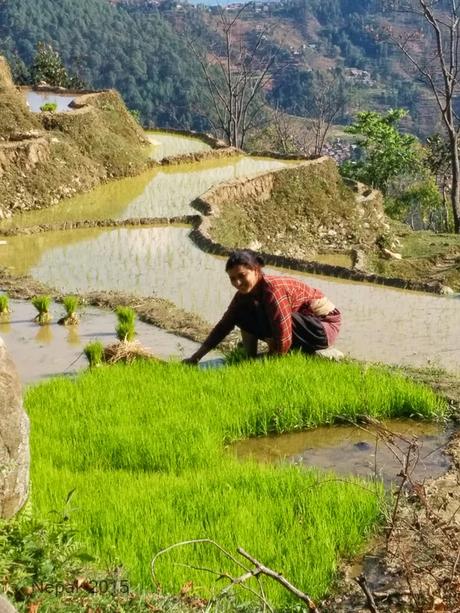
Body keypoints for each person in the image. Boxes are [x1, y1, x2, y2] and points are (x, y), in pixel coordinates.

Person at [183, 250, 341, 365]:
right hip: (302, 328)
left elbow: (284, 328)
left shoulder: (272, 289)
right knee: (241, 313)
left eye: (242, 276)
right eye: (232, 279)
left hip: (324, 327)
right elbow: (224, 326)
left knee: (275, 316)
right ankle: (249, 357)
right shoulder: (244, 294)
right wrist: (195, 357)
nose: (237, 283)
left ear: (256, 270)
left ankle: (276, 355)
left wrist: (274, 362)